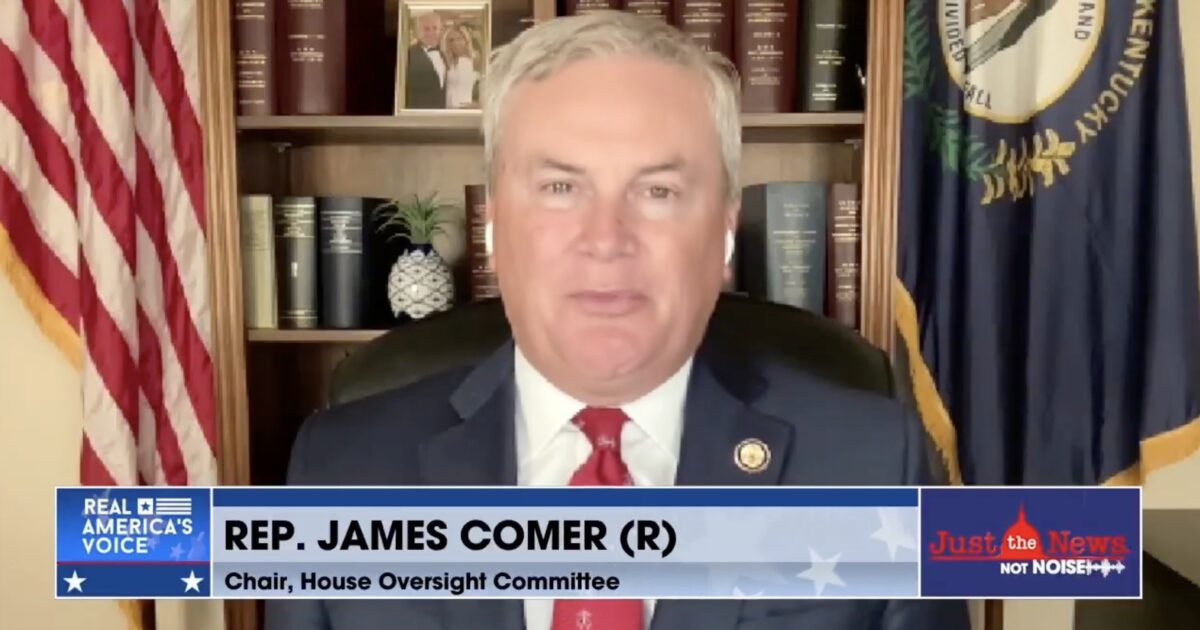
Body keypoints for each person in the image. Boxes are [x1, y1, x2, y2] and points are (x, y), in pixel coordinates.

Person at [267, 11, 970, 630]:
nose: (606, 237)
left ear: (724, 229)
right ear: (494, 225)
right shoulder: (342, 468)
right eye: (560, 188)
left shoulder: (873, 465)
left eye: (658, 191)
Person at [405, 11, 447, 109]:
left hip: (442, 116)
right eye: (426, 29)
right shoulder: (409, 55)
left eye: (435, 28)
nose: (431, 32)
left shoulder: (443, 54)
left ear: (440, 29)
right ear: (418, 32)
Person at [441, 23, 480, 109]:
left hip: (467, 109)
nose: (455, 43)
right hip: (447, 110)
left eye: (459, 39)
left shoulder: (474, 60)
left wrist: (477, 104)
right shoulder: (446, 61)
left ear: (466, 40)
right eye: (451, 40)